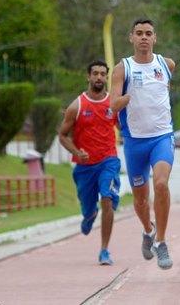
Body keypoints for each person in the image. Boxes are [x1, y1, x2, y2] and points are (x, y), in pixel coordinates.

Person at [110, 18, 176, 270]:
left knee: (161, 184)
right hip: (134, 141)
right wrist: (124, 98)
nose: (144, 37)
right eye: (139, 33)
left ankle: (161, 242)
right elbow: (112, 104)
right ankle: (148, 231)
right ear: (131, 37)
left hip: (162, 136)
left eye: (148, 33)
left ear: (155, 38)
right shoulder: (122, 68)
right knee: (140, 200)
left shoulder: (166, 64)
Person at [58, 60, 120, 266]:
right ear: (88, 76)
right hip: (85, 167)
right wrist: (77, 151)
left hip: (108, 160)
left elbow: (126, 127)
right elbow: (63, 135)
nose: (99, 77)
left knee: (107, 198)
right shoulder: (77, 105)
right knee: (89, 206)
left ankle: (104, 250)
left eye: (103, 74)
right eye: (95, 73)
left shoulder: (113, 103)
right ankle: (89, 214)